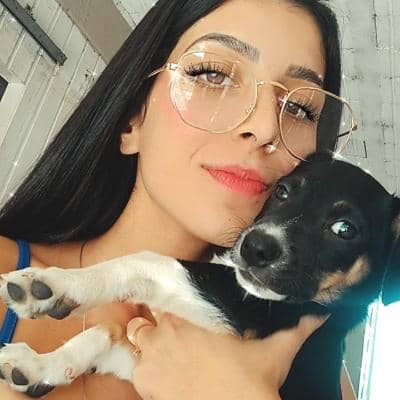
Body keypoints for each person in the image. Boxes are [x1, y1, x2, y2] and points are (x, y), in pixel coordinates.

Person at [0, 0, 357, 399]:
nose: (265, 127)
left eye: (300, 108)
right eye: (213, 74)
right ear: (133, 118)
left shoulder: (310, 362)